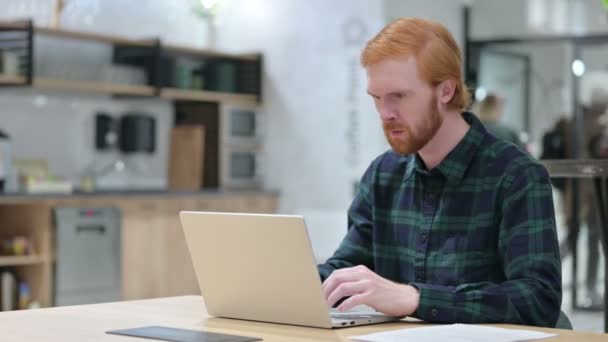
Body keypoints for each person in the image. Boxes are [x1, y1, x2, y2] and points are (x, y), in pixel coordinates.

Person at [318, 17, 562, 328]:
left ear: (445, 91)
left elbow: (538, 299)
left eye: (399, 96)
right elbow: (347, 268)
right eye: (376, 98)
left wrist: (416, 299)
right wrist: (291, 283)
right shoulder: (383, 175)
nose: (385, 112)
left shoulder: (516, 176)